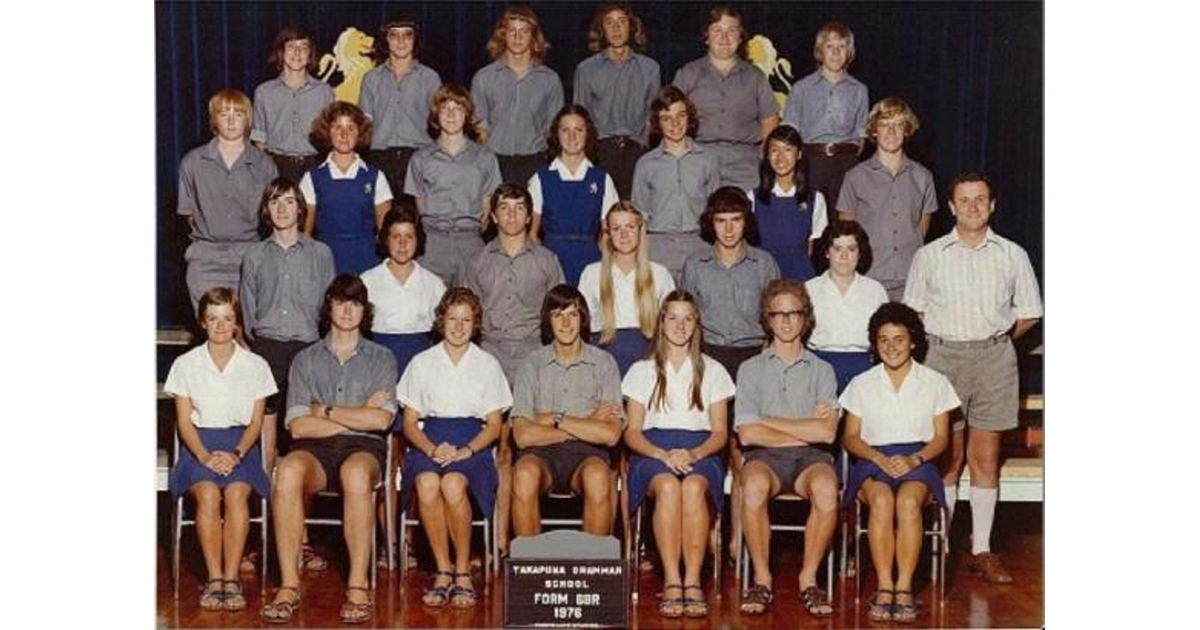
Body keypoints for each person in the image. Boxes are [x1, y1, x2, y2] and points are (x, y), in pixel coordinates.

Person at [903, 173, 1043, 585]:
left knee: (984, 459)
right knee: (948, 457)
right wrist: (951, 341)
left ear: (992, 204)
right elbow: (915, 312)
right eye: (964, 201)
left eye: (980, 199)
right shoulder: (930, 255)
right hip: (942, 357)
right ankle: (942, 546)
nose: (972, 207)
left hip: (995, 358)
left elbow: (1030, 312)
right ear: (951, 207)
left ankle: (981, 548)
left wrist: (993, 340)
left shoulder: (1012, 254)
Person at [261, 275, 398, 624]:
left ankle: (357, 584)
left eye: (355, 303)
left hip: (364, 449)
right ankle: (290, 585)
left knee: (355, 474)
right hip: (315, 449)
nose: (348, 310)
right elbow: (298, 425)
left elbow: (381, 422)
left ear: (364, 311)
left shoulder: (382, 358)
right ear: (329, 308)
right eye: (341, 302)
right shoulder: (305, 359)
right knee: (288, 470)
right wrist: (356, 415)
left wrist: (326, 411)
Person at [461, 182, 565, 555]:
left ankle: (525, 542)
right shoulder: (476, 261)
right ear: (492, 215)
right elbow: (465, 318)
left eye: (519, 208)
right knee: (494, 450)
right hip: (488, 357)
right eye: (504, 208)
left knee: (526, 450)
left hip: (532, 358)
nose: (511, 215)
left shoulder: (547, 260)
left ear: (529, 214)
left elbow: (560, 316)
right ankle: (494, 540)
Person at [840, 302, 959, 623]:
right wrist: (878, 457)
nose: (891, 347)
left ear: (914, 341)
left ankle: (904, 588)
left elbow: (941, 439)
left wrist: (914, 459)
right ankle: (884, 586)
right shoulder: (861, 383)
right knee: (880, 500)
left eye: (899, 339)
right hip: (871, 459)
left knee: (907, 502)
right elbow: (851, 437)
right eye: (883, 340)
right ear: (875, 344)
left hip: (917, 459)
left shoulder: (936, 382)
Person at [623, 290, 734, 619]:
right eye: (673, 317)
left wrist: (694, 453)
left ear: (697, 324)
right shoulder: (641, 371)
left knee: (694, 487)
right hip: (652, 452)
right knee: (669, 487)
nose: (680, 325)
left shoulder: (713, 371)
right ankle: (672, 579)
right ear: (661, 323)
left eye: (688, 318)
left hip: (700, 451)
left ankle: (692, 580)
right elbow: (631, 432)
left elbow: (720, 433)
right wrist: (662, 455)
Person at [397, 287, 510, 608]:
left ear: (476, 325)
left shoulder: (487, 364)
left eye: (466, 320)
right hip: (429, 439)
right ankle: (442, 570)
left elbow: (494, 425)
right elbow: (409, 423)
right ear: (441, 320)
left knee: (453, 483)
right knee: (427, 482)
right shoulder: (421, 362)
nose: (459, 326)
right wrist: (432, 449)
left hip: (471, 443)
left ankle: (462, 570)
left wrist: (466, 451)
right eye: (452, 318)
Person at [165, 287, 276, 612]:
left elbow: (256, 424)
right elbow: (184, 423)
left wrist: (237, 454)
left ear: (237, 322)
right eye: (213, 318)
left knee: (238, 493)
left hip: (240, 447)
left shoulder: (256, 365)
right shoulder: (185, 364)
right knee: (210, 494)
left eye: (227, 318)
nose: (220, 325)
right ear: (202, 322)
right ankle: (214, 578)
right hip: (199, 446)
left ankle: (232, 578)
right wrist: (204, 456)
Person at [734, 279, 840, 617]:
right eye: (778, 314)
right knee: (752, 486)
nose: (786, 321)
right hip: (764, 459)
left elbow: (826, 435)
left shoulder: (823, 370)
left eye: (794, 313)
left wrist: (769, 420)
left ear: (805, 317)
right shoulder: (750, 369)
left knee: (825, 488)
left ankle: (809, 579)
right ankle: (762, 578)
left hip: (811, 459)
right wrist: (804, 428)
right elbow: (748, 435)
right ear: (768, 318)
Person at [510, 285, 623, 537]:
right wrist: (587, 423)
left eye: (572, 314)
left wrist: (554, 419)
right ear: (548, 321)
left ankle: (595, 569)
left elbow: (611, 435)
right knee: (524, 474)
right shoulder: (531, 364)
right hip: (539, 454)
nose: (566, 323)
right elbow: (523, 436)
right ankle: (530, 567)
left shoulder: (603, 363)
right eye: (557, 315)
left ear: (583, 318)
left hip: (588, 455)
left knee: (597, 477)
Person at [240, 177, 335, 474]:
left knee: (304, 436)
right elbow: (247, 310)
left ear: (300, 209)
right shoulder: (254, 256)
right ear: (267, 210)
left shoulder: (320, 254)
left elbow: (329, 307)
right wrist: (257, 348)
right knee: (266, 436)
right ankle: (268, 505)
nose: (282, 208)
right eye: (274, 201)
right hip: (267, 349)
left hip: (308, 348)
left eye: (289, 201)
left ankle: (298, 511)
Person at [178, 88, 279, 311]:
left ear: (248, 119)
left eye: (238, 114)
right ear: (214, 120)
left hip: (249, 257)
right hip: (205, 259)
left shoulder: (265, 165)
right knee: (216, 327)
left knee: (245, 332)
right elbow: (188, 215)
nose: (232, 120)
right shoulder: (192, 162)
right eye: (224, 114)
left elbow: (272, 217)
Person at [837, 98, 938, 301]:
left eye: (898, 125)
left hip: (911, 280)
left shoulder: (923, 176)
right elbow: (846, 231)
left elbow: (922, 229)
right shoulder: (855, 176)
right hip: (868, 278)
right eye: (884, 125)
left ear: (907, 130)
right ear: (874, 131)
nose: (891, 132)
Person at [404, 84, 502, 285]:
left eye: (458, 109)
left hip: (470, 242)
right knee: (431, 306)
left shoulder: (485, 158)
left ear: (467, 115)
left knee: (471, 304)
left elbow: (486, 211)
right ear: (435, 115)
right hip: (432, 243)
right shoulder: (421, 159)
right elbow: (420, 204)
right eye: (444, 109)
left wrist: (466, 231)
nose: (451, 115)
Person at [672, 5, 778, 189]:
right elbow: (670, 117)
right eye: (717, 30)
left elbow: (770, 121)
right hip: (698, 159)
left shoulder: (756, 77)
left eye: (731, 30)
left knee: (744, 216)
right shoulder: (687, 74)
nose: (724, 37)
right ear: (706, 37)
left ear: (740, 37)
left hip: (745, 165)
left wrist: (762, 158)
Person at [681, 186, 780, 381]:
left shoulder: (764, 263)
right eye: (721, 221)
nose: (728, 230)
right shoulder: (695, 264)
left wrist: (766, 357)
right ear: (711, 222)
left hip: (753, 353)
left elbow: (775, 317)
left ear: (746, 222)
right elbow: (686, 317)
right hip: (708, 353)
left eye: (736, 220)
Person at [782, 22, 869, 224]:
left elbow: (860, 137)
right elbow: (791, 133)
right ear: (820, 51)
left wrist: (846, 161)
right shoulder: (801, 89)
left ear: (849, 52)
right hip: (811, 162)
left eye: (841, 46)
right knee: (809, 221)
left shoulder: (859, 90)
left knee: (844, 223)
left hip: (846, 163)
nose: (836, 53)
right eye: (830, 46)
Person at [631, 86, 720, 280]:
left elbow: (716, 213)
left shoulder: (707, 160)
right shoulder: (646, 164)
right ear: (657, 123)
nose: (675, 123)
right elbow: (639, 216)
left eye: (681, 115)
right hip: (658, 247)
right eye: (666, 118)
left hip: (698, 244)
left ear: (690, 118)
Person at [572, 3, 660, 198]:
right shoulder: (586, 70)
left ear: (632, 27)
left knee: (633, 214)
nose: (616, 28)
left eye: (621, 22)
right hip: (600, 153)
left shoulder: (650, 69)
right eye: (609, 23)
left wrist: (642, 149)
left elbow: (652, 117)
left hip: (637, 152)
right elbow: (580, 119)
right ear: (602, 29)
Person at [577, 201, 675, 375]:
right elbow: (583, 327)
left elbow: (671, 326)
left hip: (649, 359)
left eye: (630, 227)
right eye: (616, 228)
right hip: (604, 359)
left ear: (640, 230)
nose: (623, 235)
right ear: (608, 234)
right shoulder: (591, 273)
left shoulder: (660, 273)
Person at [471, 5, 564, 185]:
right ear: (502, 35)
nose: (517, 37)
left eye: (524, 31)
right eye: (511, 30)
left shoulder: (550, 79)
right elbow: (478, 128)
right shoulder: (483, 77)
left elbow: (554, 128)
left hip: (535, 163)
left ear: (534, 36)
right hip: (494, 162)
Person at [528, 105, 619, 286]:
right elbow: (530, 233)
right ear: (557, 134)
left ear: (588, 134)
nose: (572, 137)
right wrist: (543, 263)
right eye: (565, 130)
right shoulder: (541, 178)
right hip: (551, 261)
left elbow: (609, 232)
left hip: (590, 261)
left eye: (578, 130)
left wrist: (601, 263)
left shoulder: (601, 179)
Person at [300, 101, 394, 276]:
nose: (344, 134)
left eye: (350, 128)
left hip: (367, 259)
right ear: (328, 132)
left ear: (360, 133)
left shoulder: (375, 177)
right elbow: (305, 234)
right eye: (337, 127)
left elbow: (385, 232)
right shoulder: (312, 178)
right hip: (327, 261)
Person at [359, 199, 446, 380]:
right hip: (377, 360)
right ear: (385, 239)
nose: (402, 244)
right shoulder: (367, 281)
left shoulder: (433, 284)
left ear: (418, 240)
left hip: (421, 360)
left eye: (409, 237)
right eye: (396, 236)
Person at [359, 15, 442, 196]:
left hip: (419, 158)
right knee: (382, 220)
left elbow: (440, 125)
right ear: (385, 40)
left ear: (415, 40)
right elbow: (365, 126)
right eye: (394, 35)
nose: (401, 41)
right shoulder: (371, 79)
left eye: (407, 35)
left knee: (417, 220)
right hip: (380, 159)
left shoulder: (430, 78)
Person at [805, 220, 889, 393]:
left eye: (851, 249)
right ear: (827, 252)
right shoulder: (809, 289)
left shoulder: (875, 290)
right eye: (837, 249)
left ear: (860, 253)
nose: (844, 256)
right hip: (820, 365)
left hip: (863, 366)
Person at [251, 26, 334, 184]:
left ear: (310, 55)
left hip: (314, 165)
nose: (297, 53)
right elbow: (259, 140)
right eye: (291, 46)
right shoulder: (264, 92)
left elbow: (330, 136)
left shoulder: (324, 91)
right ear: (281, 52)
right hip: (277, 167)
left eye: (303, 47)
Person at [750, 125, 828, 281]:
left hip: (801, 276)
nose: (780, 158)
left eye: (787, 150)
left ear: (798, 154)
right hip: (763, 276)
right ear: (766, 155)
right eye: (774, 150)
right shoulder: (752, 198)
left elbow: (814, 249)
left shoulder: (815, 199)